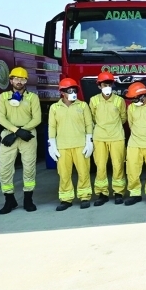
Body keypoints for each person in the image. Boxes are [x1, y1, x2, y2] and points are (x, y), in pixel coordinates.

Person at [0, 67, 41, 214]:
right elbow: (1, 118)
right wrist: (16, 132)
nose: (19, 81)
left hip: (28, 135)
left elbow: (37, 118)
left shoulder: (32, 97)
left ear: (26, 81)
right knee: (5, 168)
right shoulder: (3, 97)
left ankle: (28, 200)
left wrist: (22, 131)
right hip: (9, 134)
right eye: (16, 78)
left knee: (29, 168)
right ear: (11, 80)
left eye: (22, 79)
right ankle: (9, 200)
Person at [48, 78, 94, 211]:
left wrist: (89, 141)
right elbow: (52, 127)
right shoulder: (54, 108)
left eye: (74, 90)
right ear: (62, 92)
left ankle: (84, 196)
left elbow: (88, 124)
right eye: (69, 90)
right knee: (64, 174)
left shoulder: (83, 105)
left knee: (83, 172)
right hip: (62, 146)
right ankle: (66, 199)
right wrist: (52, 144)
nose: (73, 93)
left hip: (80, 145)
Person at [89, 71, 127, 206]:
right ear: (99, 86)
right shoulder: (93, 100)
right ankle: (102, 193)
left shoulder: (119, 100)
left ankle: (118, 192)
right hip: (99, 137)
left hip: (116, 136)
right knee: (100, 166)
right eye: (105, 84)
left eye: (110, 84)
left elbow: (123, 118)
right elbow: (92, 118)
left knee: (118, 165)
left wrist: (113, 128)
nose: (107, 87)